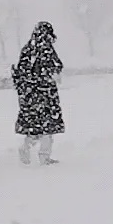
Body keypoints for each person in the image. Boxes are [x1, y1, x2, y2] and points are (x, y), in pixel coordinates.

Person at [12, 21, 65, 164]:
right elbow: (55, 68)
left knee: (34, 127)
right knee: (48, 127)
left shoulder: (27, 49)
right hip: (45, 94)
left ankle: (25, 147)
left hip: (29, 96)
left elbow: (20, 72)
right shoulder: (46, 49)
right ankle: (44, 156)